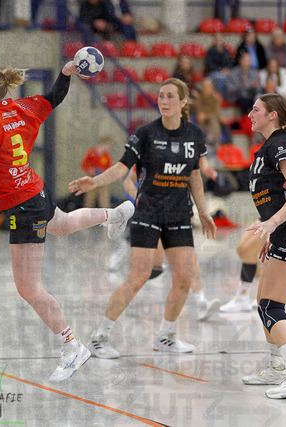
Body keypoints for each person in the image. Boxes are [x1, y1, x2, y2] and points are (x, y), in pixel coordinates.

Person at [0, 63, 135, 382]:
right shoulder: (22, 107)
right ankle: (115, 214)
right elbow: (56, 96)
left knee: (28, 287)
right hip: (33, 191)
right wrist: (66, 72)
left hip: (23, 205)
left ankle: (72, 346)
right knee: (63, 224)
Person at [69, 78, 217, 359]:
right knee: (138, 277)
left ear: (183, 102)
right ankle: (99, 337)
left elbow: (195, 176)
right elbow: (121, 168)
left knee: (184, 279)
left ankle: (165, 336)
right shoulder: (146, 133)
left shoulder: (194, 135)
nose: (164, 101)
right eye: (161, 96)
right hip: (148, 212)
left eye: (170, 96)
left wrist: (204, 211)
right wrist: (95, 181)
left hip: (179, 214)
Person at [241, 93, 286, 398]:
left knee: (272, 305)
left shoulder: (283, 143)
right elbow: (273, 196)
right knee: (263, 302)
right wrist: (271, 230)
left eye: (256, 109)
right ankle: (277, 367)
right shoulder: (266, 148)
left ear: (273, 115)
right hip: (284, 233)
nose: (249, 114)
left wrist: (272, 224)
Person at [122, 164, 221, 322]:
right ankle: (125, 302)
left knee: (190, 259)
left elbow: (194, 178)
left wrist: (199, 210)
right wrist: (143, 201)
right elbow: (128, 181)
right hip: (151, 216)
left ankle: (201, 302)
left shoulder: (186, 153)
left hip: (178, 213)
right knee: (149, 268)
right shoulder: (147, 153)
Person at [220, 219, 263, 312]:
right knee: (241, 249)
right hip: (264, 217)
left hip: (274, 219)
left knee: (248, 251)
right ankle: (263, 293)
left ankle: (243, 298)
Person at [80, 135, 113, 208]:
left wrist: (103, 172)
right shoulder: (91, 153)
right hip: (91, 179)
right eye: (107, 146)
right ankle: (87, 214)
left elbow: (109, 168)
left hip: (102, 181)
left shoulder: (107, 156)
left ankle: (106, 214)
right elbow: (84, 164)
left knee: (104, 201)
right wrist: (90, 170)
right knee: (89, 200)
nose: (108, 149)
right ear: (102, 143)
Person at [225, 52, 260, 116]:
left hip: (251, 95)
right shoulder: (233, 73)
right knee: (243, 99)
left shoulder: (254, 73)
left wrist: (254, 87)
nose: (248, 62)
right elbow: (229, 89)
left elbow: (258, 88)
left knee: (258, 98)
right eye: (246, 60)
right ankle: (246, 118)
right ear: (240, 60)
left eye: (249, 60)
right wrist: (240, 86)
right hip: (238, 96)